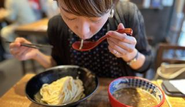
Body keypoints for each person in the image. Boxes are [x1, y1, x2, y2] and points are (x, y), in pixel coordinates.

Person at [9, 0, 152, 78]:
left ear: (111, 7)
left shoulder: (127, 13)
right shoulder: (56, 25)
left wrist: (129, 54)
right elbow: (59, 66)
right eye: (70, 17)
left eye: (94, 18)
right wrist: (36, 55)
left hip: (119, 96)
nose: (83, 32)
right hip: (77, 100)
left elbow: (146, 64)